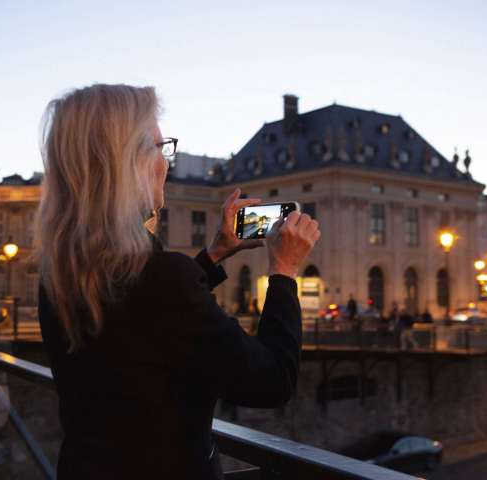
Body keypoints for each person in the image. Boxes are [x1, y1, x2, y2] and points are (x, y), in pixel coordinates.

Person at [36, 84, 320, 479]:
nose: (168, 162)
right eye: (161, 147)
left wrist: (214, 255)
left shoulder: (62, 274)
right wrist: (284, 271)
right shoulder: (160, 280)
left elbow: (141, 320)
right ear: (127, 163)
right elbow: (274, 378)